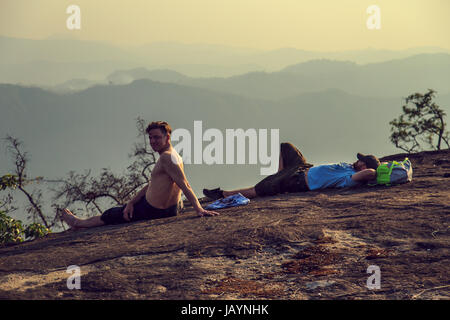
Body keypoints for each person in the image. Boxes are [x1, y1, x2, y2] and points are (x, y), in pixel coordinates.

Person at [61, 121, 219, 230]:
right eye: (150, 137)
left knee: (112, 214)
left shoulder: (166, 158)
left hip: (153, 210)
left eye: (156, 137)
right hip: (169, 209)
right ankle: (83, 220)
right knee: (126, 207)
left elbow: (185, 185)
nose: (152, 141)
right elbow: (154, 184)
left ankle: (77, 222)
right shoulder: (173, 155)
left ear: (167, 137)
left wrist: (199, 209)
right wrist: (131, 202)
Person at [203, 142, 380, 200]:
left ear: (363, 166)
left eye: (360, 160)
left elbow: (370, 174)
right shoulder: (349, 167)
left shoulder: (351, 178)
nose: (357, 160)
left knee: (256, 191)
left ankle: (223, 194)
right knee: (285, 147)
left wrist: (374, 170)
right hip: (302, 168)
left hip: (297, 182)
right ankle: (278, 173)